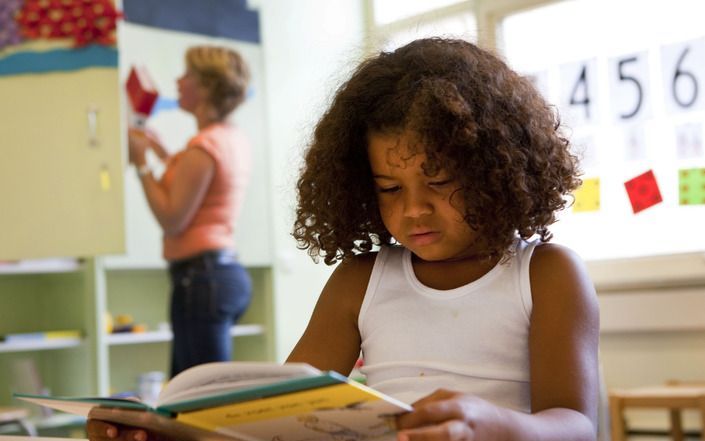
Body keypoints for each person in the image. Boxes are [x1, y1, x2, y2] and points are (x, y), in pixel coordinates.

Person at [88, 38, 599, 441]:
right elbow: (272, 414)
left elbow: (577, 424)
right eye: (389, 189)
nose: (413, 209)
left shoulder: (547, 274)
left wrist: (495, 428)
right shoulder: (361, 279)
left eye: (439, 183)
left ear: (493, 171)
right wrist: (160, 429)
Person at [127, 45, 253, 378]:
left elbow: (173, 218)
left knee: (200, 394)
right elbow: (201, 192)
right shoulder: (227, 138)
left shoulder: (203, 147)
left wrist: (141, 164)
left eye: (188, 75)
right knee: (194, 390)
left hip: (201, 279)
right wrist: (162, 154)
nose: (178, 81)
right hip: (218, 275)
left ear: (207, 87)